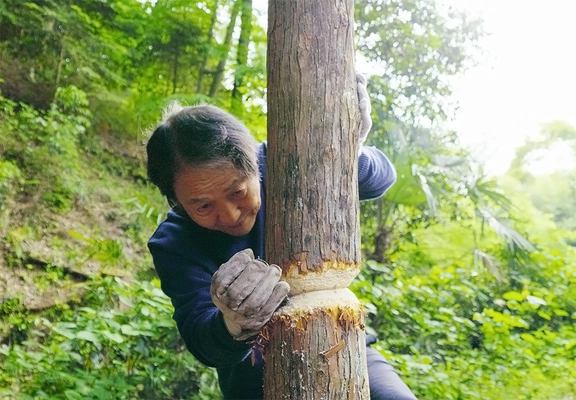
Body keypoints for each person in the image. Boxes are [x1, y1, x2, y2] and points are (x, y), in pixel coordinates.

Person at [145, 74, 417, 400]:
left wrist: (347, 152)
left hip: (343, 343)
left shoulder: (285, 160)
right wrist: (234, 322)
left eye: (237, 191)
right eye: (203, 206)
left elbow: (380, 179)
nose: (230, 215)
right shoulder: (174, 242)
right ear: (176, 201)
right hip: (254, 375)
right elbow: (203, 340)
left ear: (256, 166)